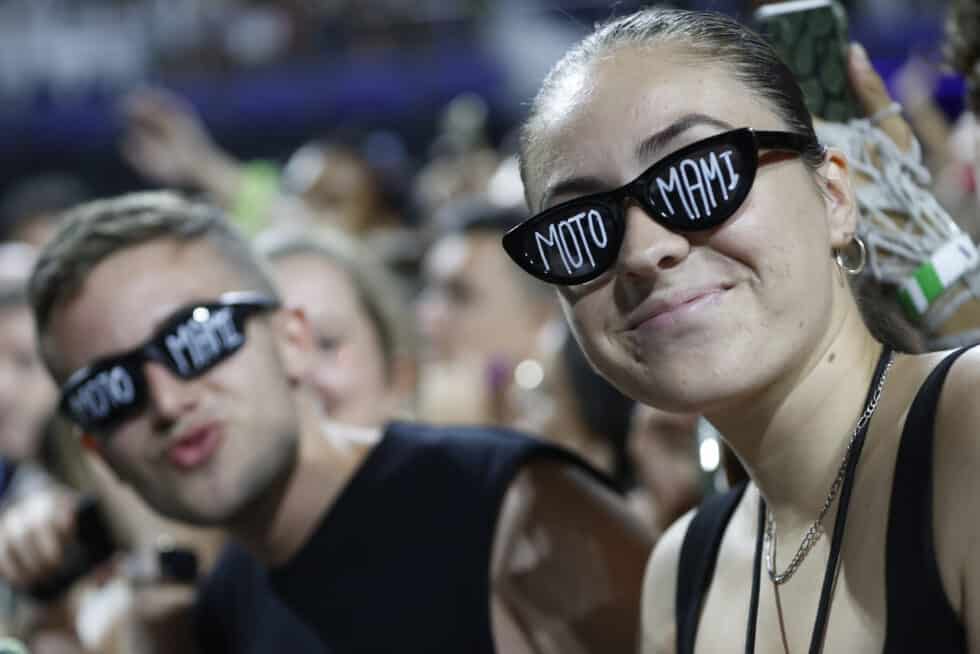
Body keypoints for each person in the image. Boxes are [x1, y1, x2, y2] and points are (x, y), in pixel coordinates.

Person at [505, 7, 980, 653]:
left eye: (697, 175)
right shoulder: (680, 574)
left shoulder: (968, 428)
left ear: (834, 197)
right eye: (583, 225)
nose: (644, 249)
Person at [10, 191, 651, 653]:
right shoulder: (225, 602)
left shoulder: (503, 507)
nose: (166, 401)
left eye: (195, 339)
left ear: (292, 339)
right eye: (110, 389)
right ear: (94, 447)